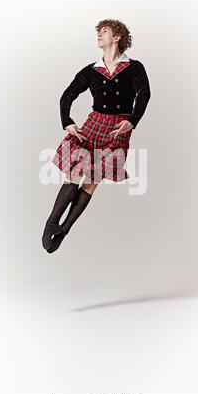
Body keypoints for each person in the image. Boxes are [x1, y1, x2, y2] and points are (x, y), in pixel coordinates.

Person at [42, 19, 151, 253]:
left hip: (118, 128)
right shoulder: (91, 70)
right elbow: (67, 95)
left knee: (93, 181)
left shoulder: (134, 67)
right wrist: (67, 123)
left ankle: (65, 228)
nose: (99, 36)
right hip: (94, 124)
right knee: (74, 173)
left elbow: (144, 94)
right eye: (98, 32)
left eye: (104, 31)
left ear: (118, 36)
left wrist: (131, 121)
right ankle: (52, 223)